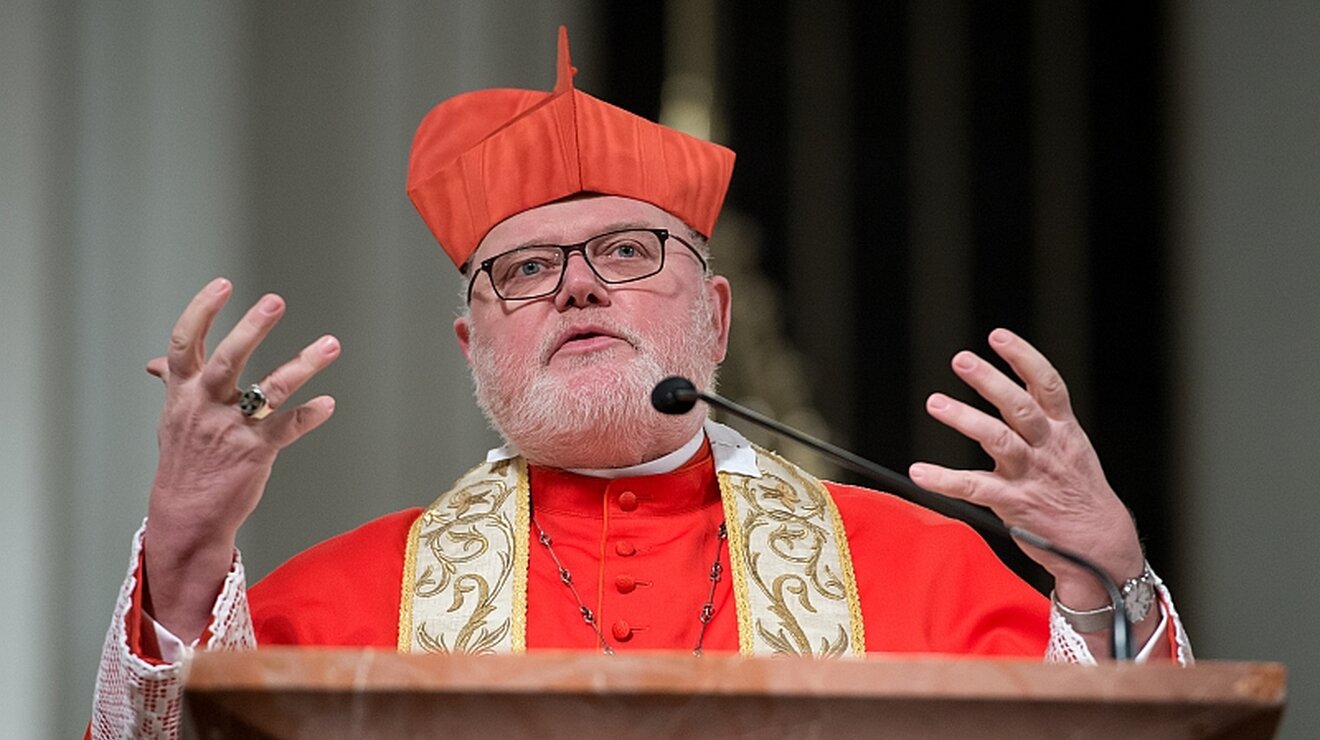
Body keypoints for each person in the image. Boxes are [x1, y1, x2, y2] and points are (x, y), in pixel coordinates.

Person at [91, 27, 1190, 738]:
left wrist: (1110, 577)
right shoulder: (335, 606)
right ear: (473, 345)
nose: (577, 288)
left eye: (625, 252)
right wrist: (185, 556)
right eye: (525, 269)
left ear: (712, 317)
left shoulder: (920, 572)